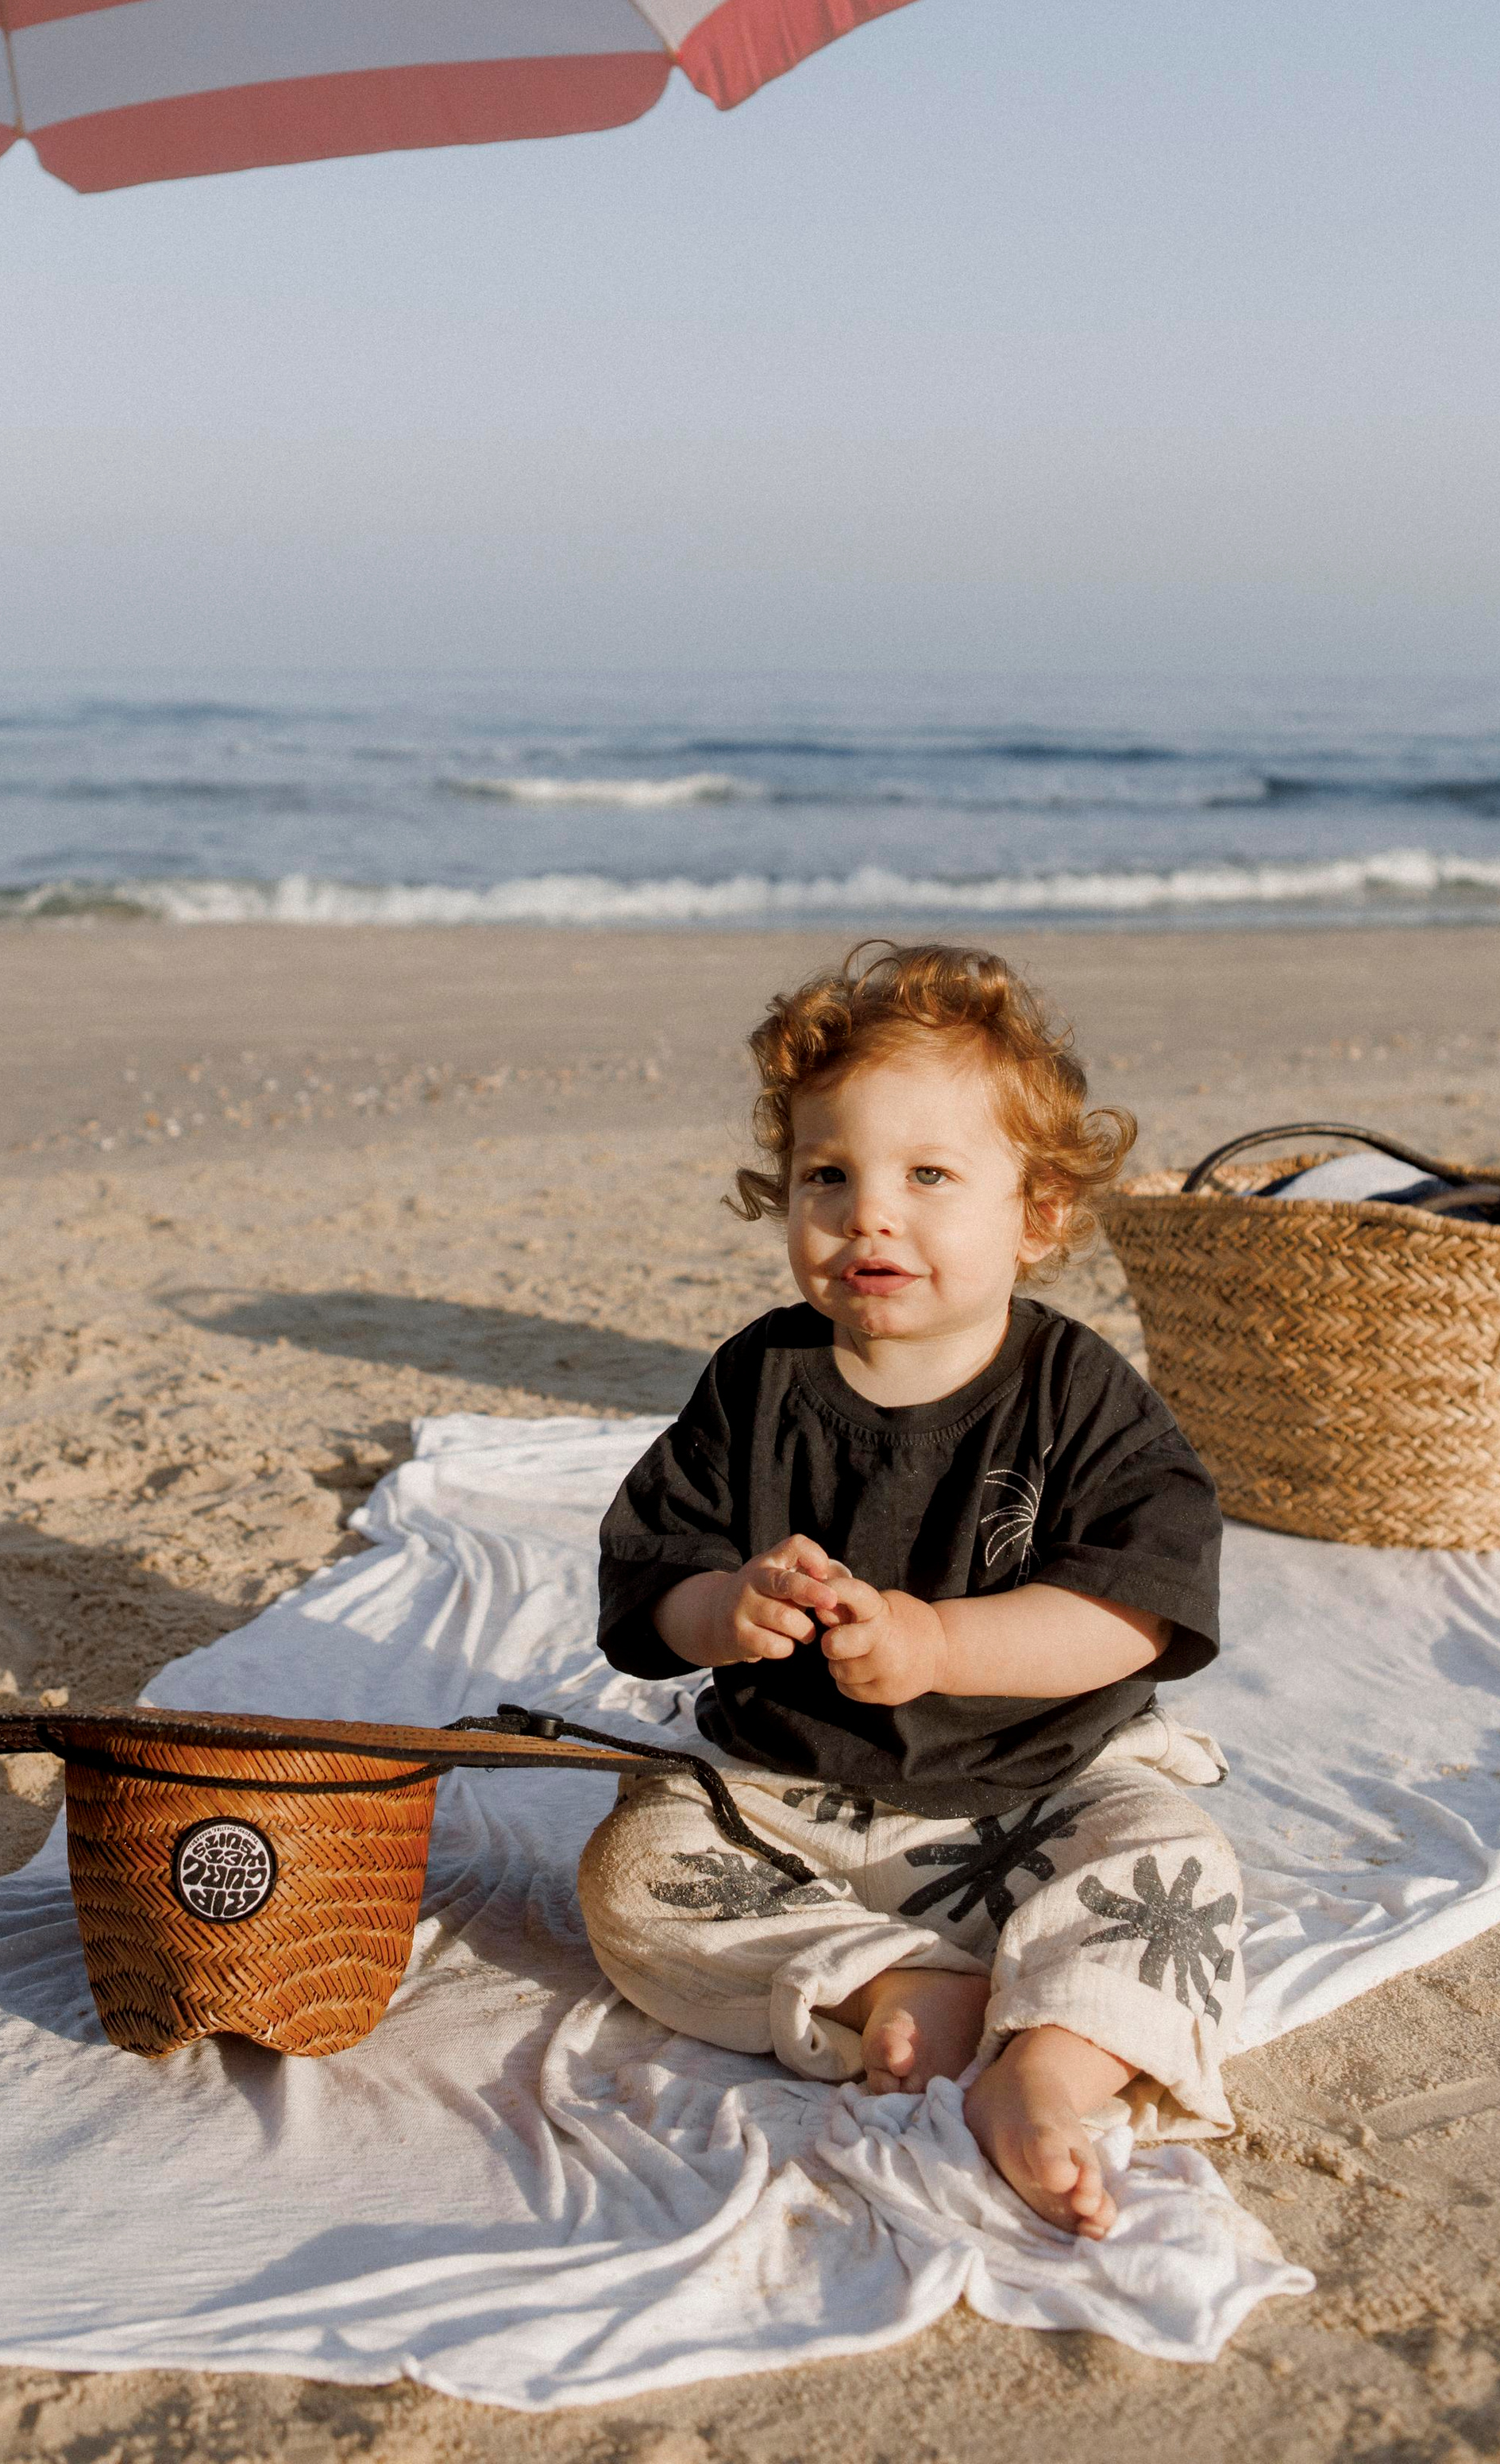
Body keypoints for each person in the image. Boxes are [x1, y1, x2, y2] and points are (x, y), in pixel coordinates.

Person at [580, 941, 1239, 2241]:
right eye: (830, 1176)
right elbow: (651, 1571)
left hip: (1037, 1792)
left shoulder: (1080, 1395)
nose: (869, 1213)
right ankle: (899, 1987)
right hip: (788, 1794)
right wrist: (724, 1609)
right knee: (629, 1871)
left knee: (1178, 1868)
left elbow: (1135, 1609)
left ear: (1038, 1213)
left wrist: (940, 1641)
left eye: (930, 1176)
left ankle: (1052, 2065)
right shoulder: (757, 1383)